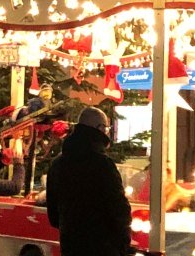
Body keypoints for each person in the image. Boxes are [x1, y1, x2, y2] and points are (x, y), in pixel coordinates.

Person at [44, 108, 130, 256]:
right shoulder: (103, 165)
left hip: (71, 246)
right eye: (107, 129)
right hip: (104, 247)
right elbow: (119, 210)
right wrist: (122, 244)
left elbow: (53, 216)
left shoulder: (58, 165)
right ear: (100, 129)